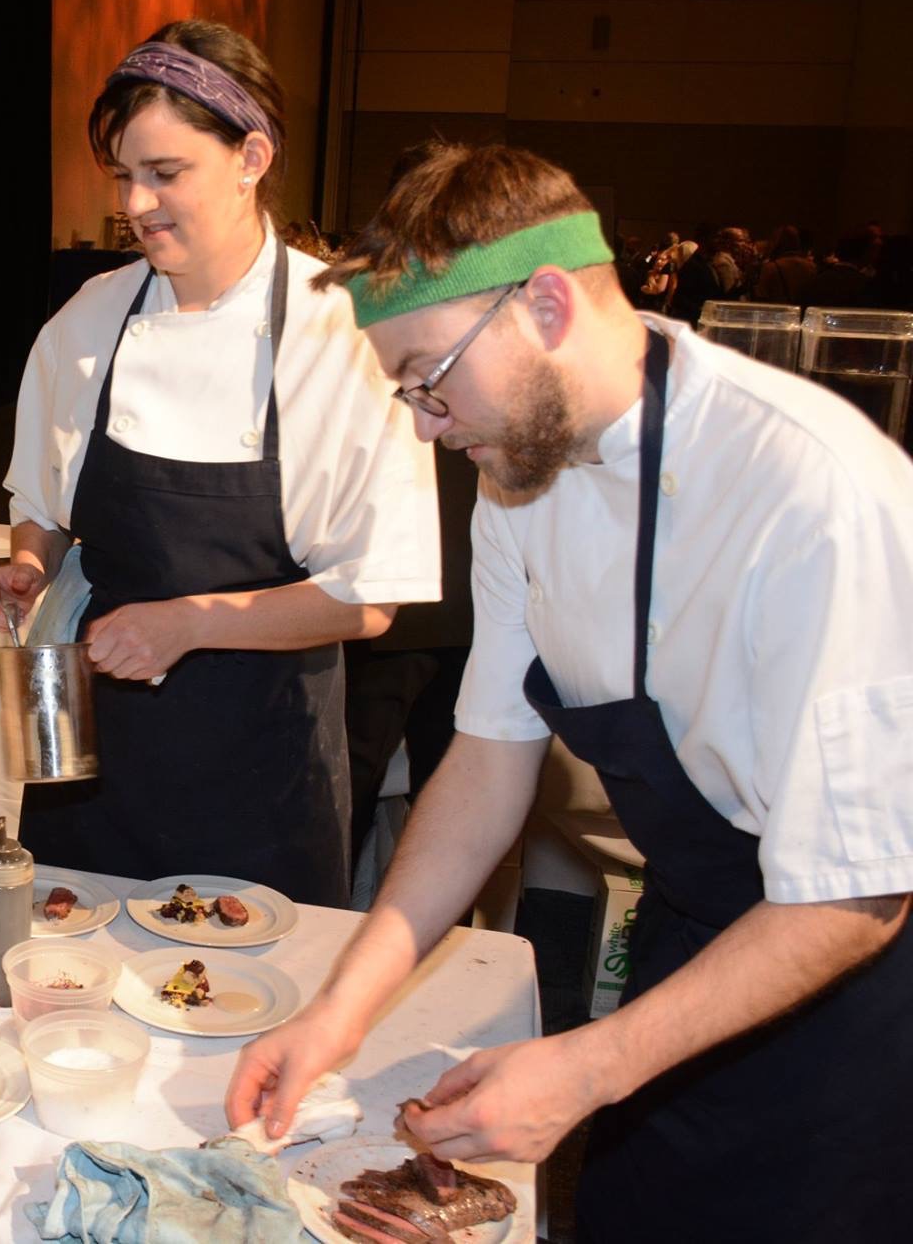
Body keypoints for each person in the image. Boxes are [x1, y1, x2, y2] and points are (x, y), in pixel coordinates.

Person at [225, 144, 912, 1241]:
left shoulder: (811, 491)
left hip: (846, 996)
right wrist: (338, 1013)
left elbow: (856, 894)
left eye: (430, 379)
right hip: (687, 947)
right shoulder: (518, 482)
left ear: (545, 304)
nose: (422, 425)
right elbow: (487, 762)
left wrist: (590, 1066)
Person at [0, 20, 439, 906]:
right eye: (124, 176)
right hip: (93, 771)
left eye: (165, 172)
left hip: (263, 772)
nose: (136, 203)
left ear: (251, 157)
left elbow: (370, 597)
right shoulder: (88, 320)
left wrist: (188, 623)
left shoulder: (340, 336)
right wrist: (30, 561)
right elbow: (44, 505)